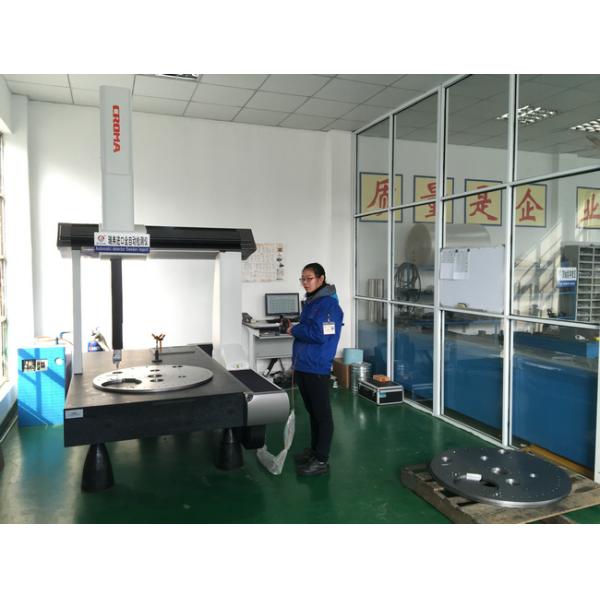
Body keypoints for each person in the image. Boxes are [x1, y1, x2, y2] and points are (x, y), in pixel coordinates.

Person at [288, 263, 343, 476]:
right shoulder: (312, 302)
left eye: (309, 278)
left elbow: (321, 335)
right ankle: (314, 451)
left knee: (322, 415)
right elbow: (310, 328)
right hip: (304, 365)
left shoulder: (329, 305)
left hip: (317, 367)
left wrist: (294, 329)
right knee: (312, 412)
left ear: (321, 279)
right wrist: (297, 328)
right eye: (302, 278)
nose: (305, 282)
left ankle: (321, 460)